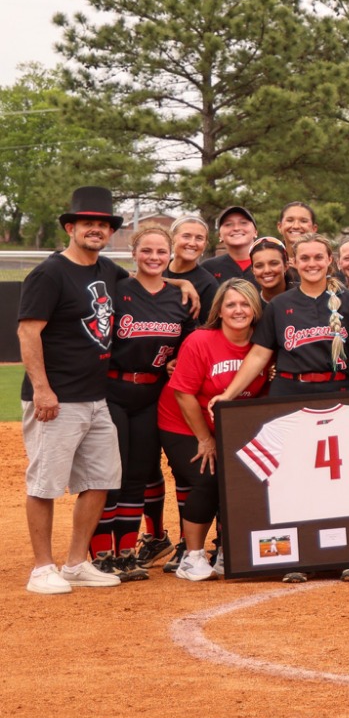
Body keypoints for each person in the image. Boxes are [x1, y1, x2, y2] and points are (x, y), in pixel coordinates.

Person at [19, 188, 141, 594]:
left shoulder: (107, 269)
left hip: (95, 397)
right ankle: (42, 568)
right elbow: (28, 331)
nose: (96, 229)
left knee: (101, 479)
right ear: (70, 227)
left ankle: (74, 563)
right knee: (45, 484)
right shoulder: (50, 273)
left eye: (103, 224)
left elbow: (143, 282)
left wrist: (181, 282)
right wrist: (42, 389)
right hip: (57, 398)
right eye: (87, 223)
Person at [88, 223, 199, 580]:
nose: (154, 257)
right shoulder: (118, 291)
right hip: (114, 390)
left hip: (154, 393)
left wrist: (178, 359)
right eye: (146, 251)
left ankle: (126, 552)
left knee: (139, 471)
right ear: (133, 254)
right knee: (111, 473)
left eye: (161, 251)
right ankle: (102, 552)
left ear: (171, 255)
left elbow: (189, 346)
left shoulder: (180, 296)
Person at [212, 235, 349, 403]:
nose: (311, 264)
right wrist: (228, 395)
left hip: (337, 390)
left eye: (318, 257)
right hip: (288, 391)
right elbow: (258, 355)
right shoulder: (279, 304)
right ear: (294, 262)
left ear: (329, 260)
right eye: (305, 258)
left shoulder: (348, 300)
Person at [158, 279, 270, 580]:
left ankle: (226, 552)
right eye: (230, 304)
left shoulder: (264, 343)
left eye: (245, 303)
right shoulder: (201, 340)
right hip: (183, 422)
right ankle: (191, 556)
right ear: (218, 310)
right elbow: (183, 394)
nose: (238, 310)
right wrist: (205, 439)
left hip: (230, 426)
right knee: (208, 478)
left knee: (245, 479)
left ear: (256, 309)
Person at [166, 216, 220, 320]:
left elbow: (208, 327)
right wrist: (180, 283)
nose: (192, 243)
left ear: (205, 245)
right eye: (186, 236)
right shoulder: (157, 270)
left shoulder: (208, 284)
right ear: (172, 238)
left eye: (199, 238)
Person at [200, 205, 258, 283]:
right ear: (220, 235)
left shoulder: (272, 264)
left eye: (243, 223)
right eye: (228, 224)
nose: (236, 228)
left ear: (255, 231)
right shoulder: (208, 269)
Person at [248, 237, 289, 303]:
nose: (267, 270)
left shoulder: (303, 296)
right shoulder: (249, 304)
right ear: (253, 270)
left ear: (286, 266)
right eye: (259, 266)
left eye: (273, 264)